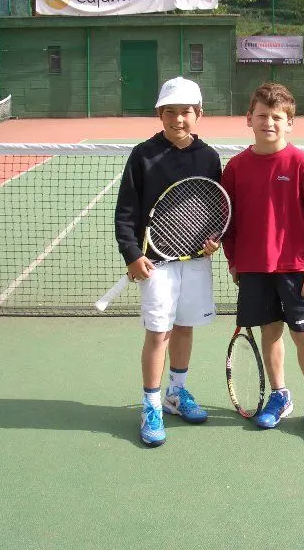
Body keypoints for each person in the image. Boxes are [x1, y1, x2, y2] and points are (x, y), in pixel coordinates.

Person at [221, 82, 304, 440]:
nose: (268, 122)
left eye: (277, 117)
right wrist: (234, 259)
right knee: (271, 334)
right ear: (248, 119)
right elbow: (228, 219)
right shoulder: (236, 168)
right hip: (254, 269)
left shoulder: (302, 164)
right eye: (261, 116)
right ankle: (280, 395)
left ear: (289, 122)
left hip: (297, 270)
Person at [114, 76, 221, 448]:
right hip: (155, 262)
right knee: (159, 333)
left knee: (186, 327)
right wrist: (133, 253)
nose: (179, 119)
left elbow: (214, 205)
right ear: (159, 114)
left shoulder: (209, 157)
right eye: (170, 112)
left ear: (199, 114)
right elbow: (126, 211)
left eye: (186, 112)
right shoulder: (143, 155)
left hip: (194, 260)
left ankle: (177, 392)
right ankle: (152, 404)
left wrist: (213, 240)